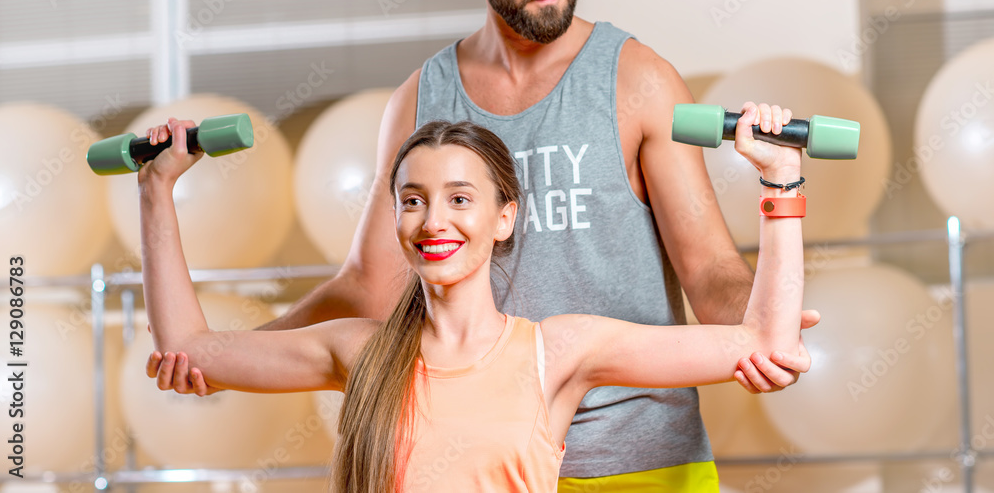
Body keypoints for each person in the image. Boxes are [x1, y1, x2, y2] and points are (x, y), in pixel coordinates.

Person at [146, 0, 819, 490]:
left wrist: (767, 321)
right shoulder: (422, 99)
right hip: (485, 450)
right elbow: (366, 289)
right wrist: (214, 359)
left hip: (639, 457)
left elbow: (709, 271)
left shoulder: (636, 81)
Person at [140, 110, 807, 493]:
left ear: (504, 218)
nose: (435, 221)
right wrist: (155, 190)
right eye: (413, 200)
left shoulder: (558, 351)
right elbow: (189, 352)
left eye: (461, 199)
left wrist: (782, 179)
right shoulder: (361, 351)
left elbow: (765, 342)